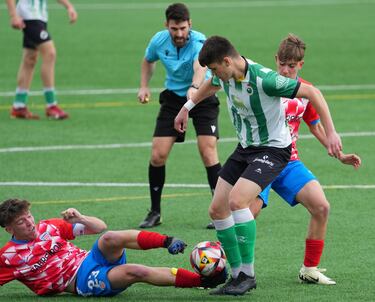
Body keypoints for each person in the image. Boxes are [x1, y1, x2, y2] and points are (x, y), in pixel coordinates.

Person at [174, 35, 342, 295]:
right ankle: (236, 275)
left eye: (216, 68)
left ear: (227, 61)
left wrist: (331, 133)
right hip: (245, 149)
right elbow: (210, 84)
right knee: (217, 209)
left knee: (238, 202)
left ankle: (247, 276)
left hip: (273, 150)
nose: (215, 74)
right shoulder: (224, 75)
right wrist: (187, 106)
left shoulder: (265, 79)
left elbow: (313, 92)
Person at [247, 33, 361, 285]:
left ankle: (309, 269)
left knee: (321, 207)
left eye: (292, 66)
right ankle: (232, 268)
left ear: (300, 65)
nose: (286, 71)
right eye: (282, 64)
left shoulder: (304, 92)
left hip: (288, 162)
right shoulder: (265, 85)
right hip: (261, 160)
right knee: (248, 213)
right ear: (275, 60)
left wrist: (339, 154)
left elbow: (315, 125)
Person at [0, 198, 226, 296]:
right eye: (21, 222)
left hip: (90, 258)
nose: (30, 223)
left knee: (110, 237)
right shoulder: (8, 257)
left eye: (29, 216)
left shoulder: (48, 227)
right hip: (80, 281)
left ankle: (167, 241)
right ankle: (203, 281)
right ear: (9, 229)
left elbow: (100, 227)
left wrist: (81, 217)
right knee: (136, 271)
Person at [137, 3, 221, 229]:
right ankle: (155, 212)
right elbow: (148, 60)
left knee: (208, 151)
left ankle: (219, 211)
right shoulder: (159, 41)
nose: (179, 33)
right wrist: (144, 86)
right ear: (167, 26)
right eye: (174, 29)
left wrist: (194, 88)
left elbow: (200, 67)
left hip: (202, 95)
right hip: (174, 98)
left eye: (183, 28)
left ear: (190, 25)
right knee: (158, 155)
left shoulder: (199, 41)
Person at [5, 0, 77, 120]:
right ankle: (51, 105)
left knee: (30, 59)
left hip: (40, 16)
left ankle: (19, 106)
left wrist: (68, 6)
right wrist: (13, 15)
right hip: (28, 15)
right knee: (50, 53)